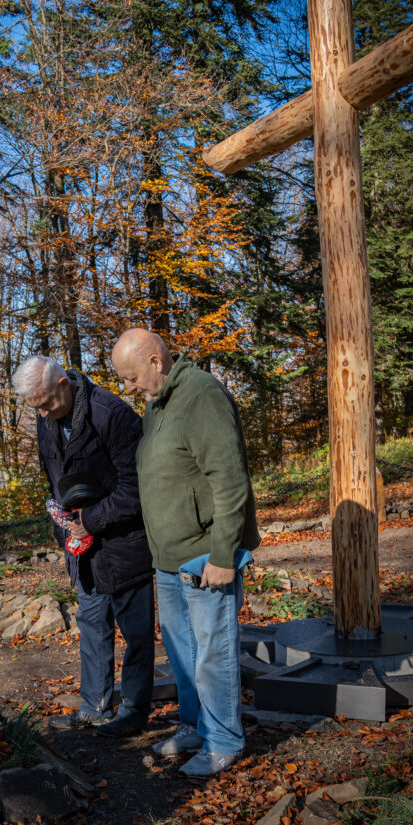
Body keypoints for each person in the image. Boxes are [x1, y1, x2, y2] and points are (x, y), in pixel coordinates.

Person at [111, 329, 260, 776]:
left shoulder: (201, 395)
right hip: (167, 558)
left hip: (204, 554)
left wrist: (223, 555)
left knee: (213, 653)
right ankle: (196, 727)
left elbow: (230, 480)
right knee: (182, 653)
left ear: (155, 361)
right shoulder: (157, 403)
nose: (128, 387)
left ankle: (223, 742)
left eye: (131, 377)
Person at [12, 355, 155, 738]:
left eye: (47, 404)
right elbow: (54, 483)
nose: (43, 414)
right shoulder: (46, 418)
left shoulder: (112, 414)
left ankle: (134, 712)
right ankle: (94, 707)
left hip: (125, 544)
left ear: (64, 384)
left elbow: (138, 486)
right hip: (82, 550)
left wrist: (89, 521)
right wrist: (65, 529)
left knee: (136, 635)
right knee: (92, 628)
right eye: (36, 408)